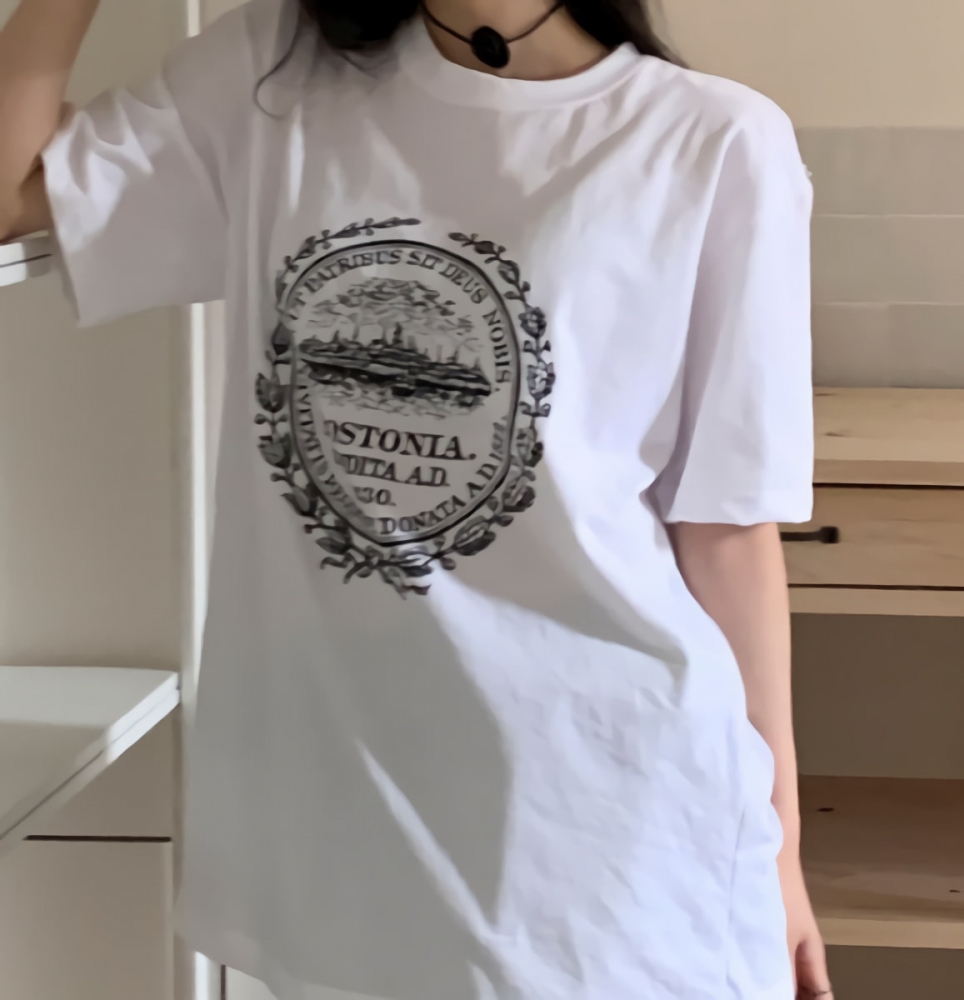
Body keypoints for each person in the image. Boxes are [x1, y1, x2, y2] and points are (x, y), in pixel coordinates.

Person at [0, 1, 831, 997]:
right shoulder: (277, 73)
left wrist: (779, 852)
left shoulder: (712, 140)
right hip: (349, 835)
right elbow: (12, 195)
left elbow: (726, 530)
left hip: (613, 834)